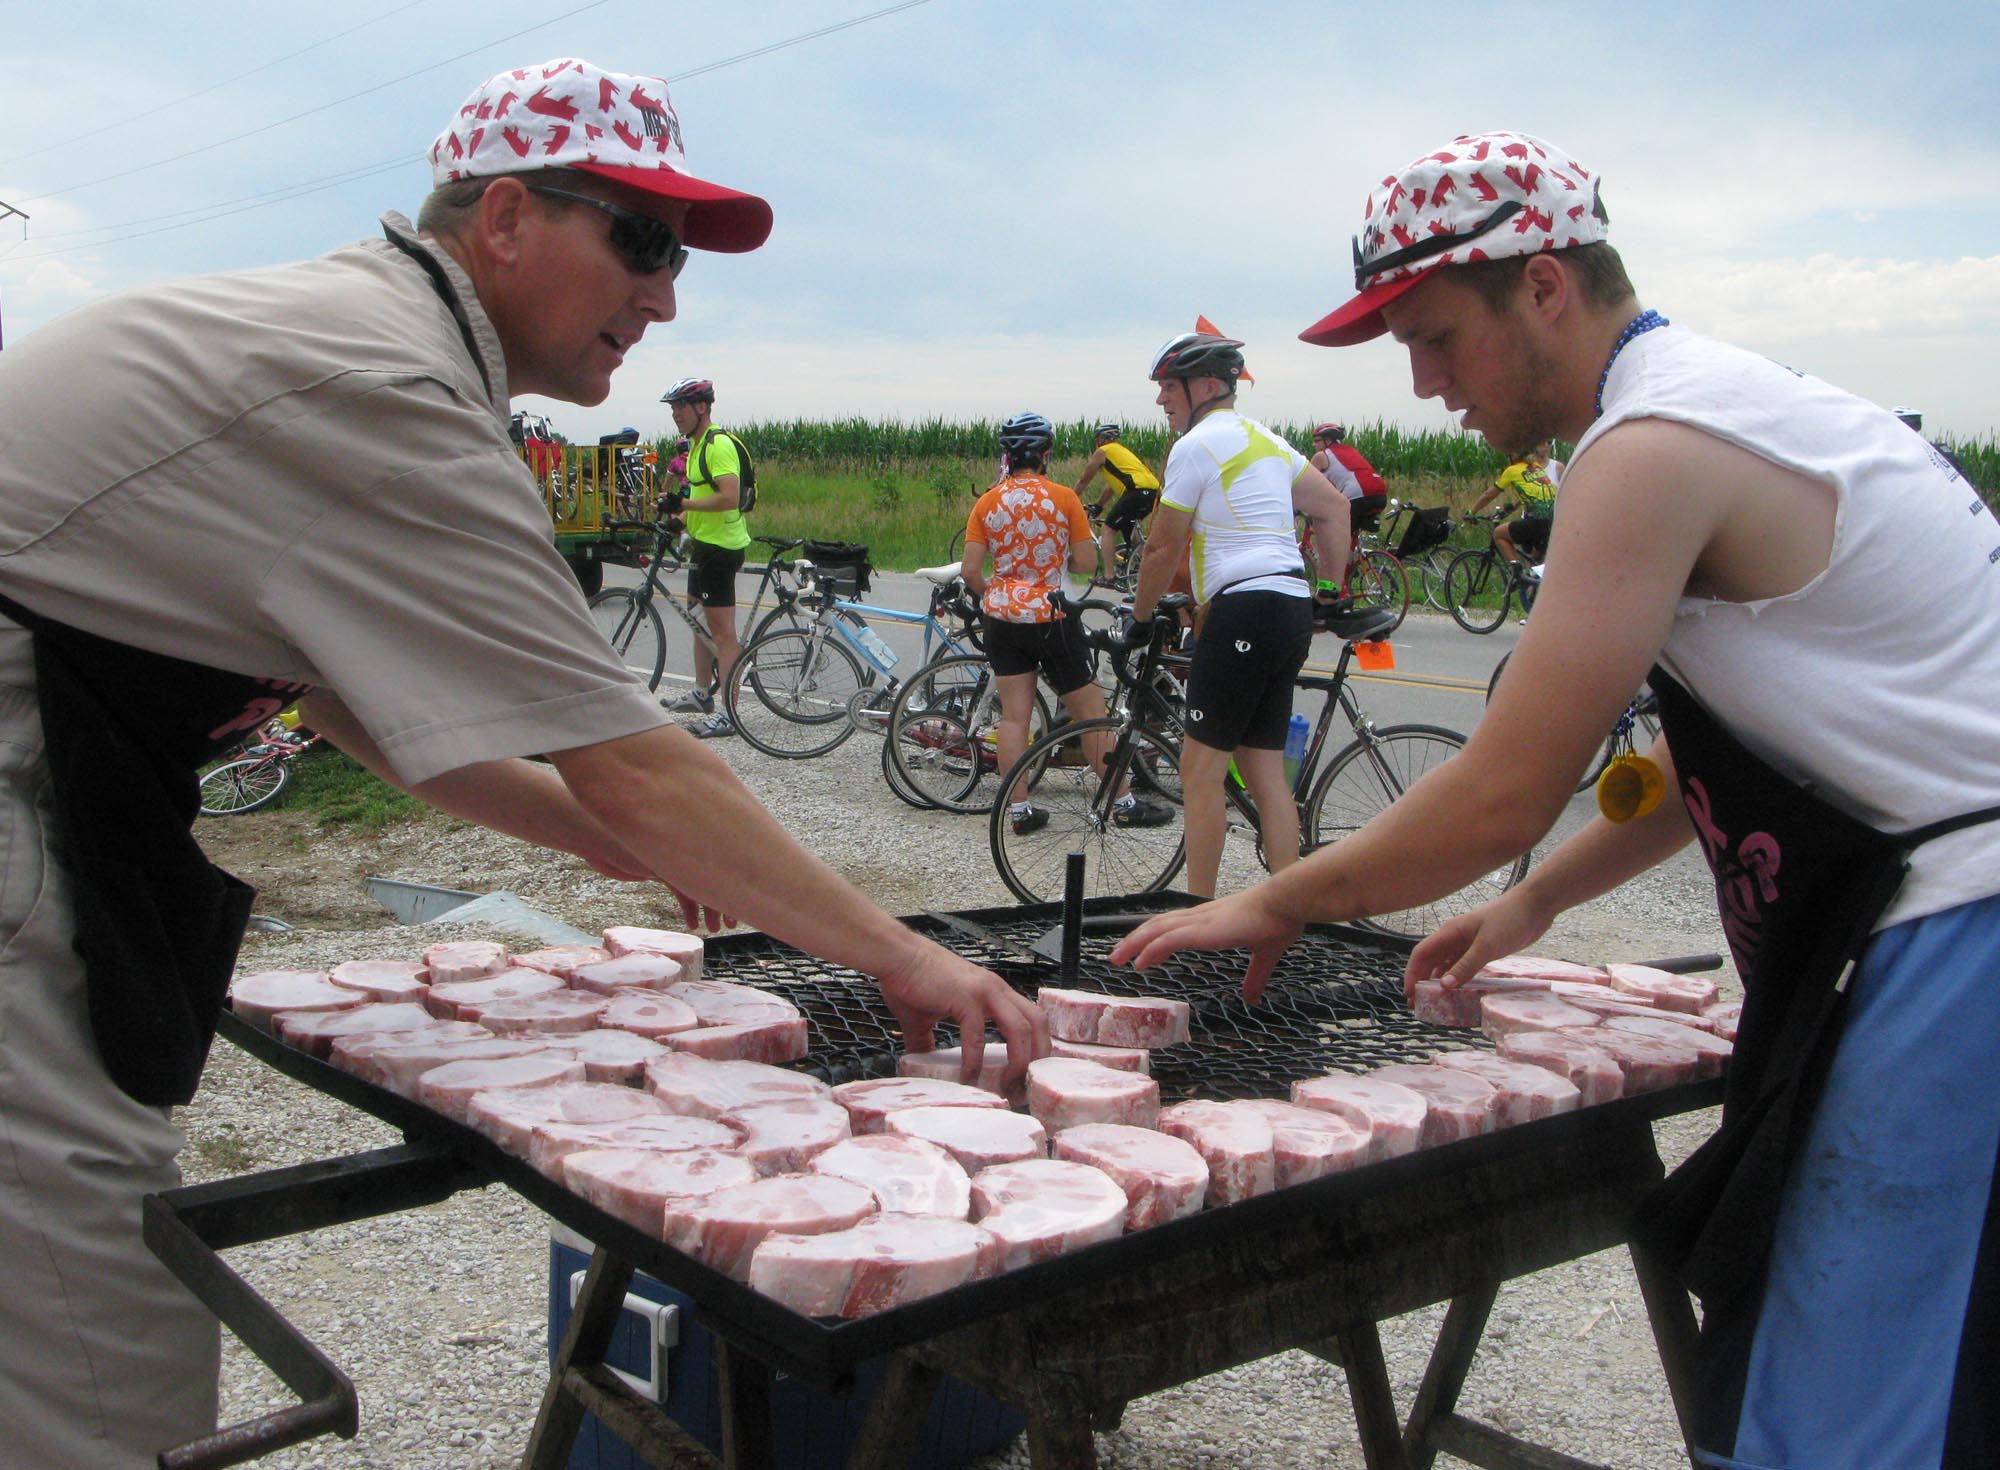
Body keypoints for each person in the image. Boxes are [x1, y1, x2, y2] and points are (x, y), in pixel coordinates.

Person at [0, 57, 1043, 1469]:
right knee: (95, 1354)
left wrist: (597, 841)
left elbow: (347, 705)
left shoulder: (362, 338)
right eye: (644, 242)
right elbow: (639, 761)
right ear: (503, 219)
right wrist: (903, 957)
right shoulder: (388, 385)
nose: (667, 296)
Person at [1113, 130, 2000, 1469]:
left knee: (1842, 1411)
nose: (1421, 385)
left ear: (1541, 286)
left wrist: (1273, 896)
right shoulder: (1710, 403)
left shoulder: (1649, 446)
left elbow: (1499, 790)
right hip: (1939, 906)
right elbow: (1744, 763)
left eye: (1435, 337)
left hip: (1961, 927)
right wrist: (1536, 901)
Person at [1127, 331, 1351, 897]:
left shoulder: (1197, 445)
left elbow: (1162, 545)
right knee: (1265, 775)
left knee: (1200, 773)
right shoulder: (1269, 441)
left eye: (1167, 387)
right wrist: (1327, 588)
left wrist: (1139, 614)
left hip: (1242, 609)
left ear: (1205, 386)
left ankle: (1199, 913)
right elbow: (1334, 508)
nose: (1160, 400)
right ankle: (1288, 909)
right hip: (1287, 605)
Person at [958, 413, 1172, 836]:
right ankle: (1123, 802)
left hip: (1003, 618)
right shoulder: (1063, 498)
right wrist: (1059, 562)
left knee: (1015, 718)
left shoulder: (987, 501)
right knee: (1090, 712)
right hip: (1053, 614)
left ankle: (1019, 812)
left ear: (1007, 455)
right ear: (1045, 454)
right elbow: (1087, 562)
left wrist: (995, 596)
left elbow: (970, 571)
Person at [658, 376, 747, 736]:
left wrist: (686, 503)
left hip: (721, 549)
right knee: (698, 621)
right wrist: (678, 517)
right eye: (672, 407)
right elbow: (700, 497)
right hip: (703, 543)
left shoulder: (718, 445)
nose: (676, 413)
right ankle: (700, 693)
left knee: (722, 634)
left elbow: (729, 496)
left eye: (681, 406)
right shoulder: (694, 445)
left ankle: (730, 714)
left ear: (702, 407)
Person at [1071, 421, 1162, 581]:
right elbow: (1111, 487)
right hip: (1154, 493)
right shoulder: (1122, 452)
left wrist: (1070, 498)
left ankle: (1108, 575)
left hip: (1137, 491)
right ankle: (1149, 570)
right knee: (1130, 531)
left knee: (1108, 529)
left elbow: (1084, 480)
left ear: (1101, 439)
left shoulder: (1102, 451)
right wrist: (1099, 505)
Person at [1467, 440, 1558, 567]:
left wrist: (1471, 512)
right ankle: (1529, 584)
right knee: (1533, 560)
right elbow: (1534, 493)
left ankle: (1517, 572)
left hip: (1536, 521)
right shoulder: (1536, 466)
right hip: (1553, 519)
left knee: (1499, 534)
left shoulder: (1512, 470)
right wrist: (1512, 508)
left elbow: (1489, 494)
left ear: (1513, 456)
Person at [1309, 421, 1389, 520]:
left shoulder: (1321, 456)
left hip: (1358, 494)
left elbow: (1305, 481)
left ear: (1327, 440)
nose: (1313, 444)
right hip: (1380, 494)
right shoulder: (1351, 450)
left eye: (1317, 441)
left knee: (1327, 522)